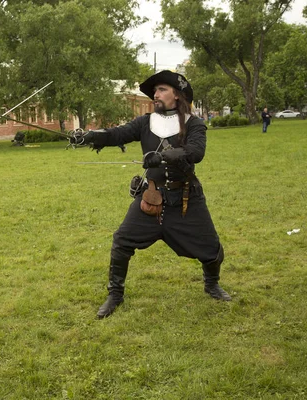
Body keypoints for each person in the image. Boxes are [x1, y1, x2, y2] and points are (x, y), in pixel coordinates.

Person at [71, 70, 231, 319]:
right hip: (151, 197)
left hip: (186, 197)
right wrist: (89, 137)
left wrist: (164, 155)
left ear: (177, 95)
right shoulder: (145, 122)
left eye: (162, 90)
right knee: (122, 241)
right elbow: (118, 134)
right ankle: (115, 294)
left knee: (210, 247)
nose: (155, 95)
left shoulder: (194, 124)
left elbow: (195, 152)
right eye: (154, 91)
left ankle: (212, 284)